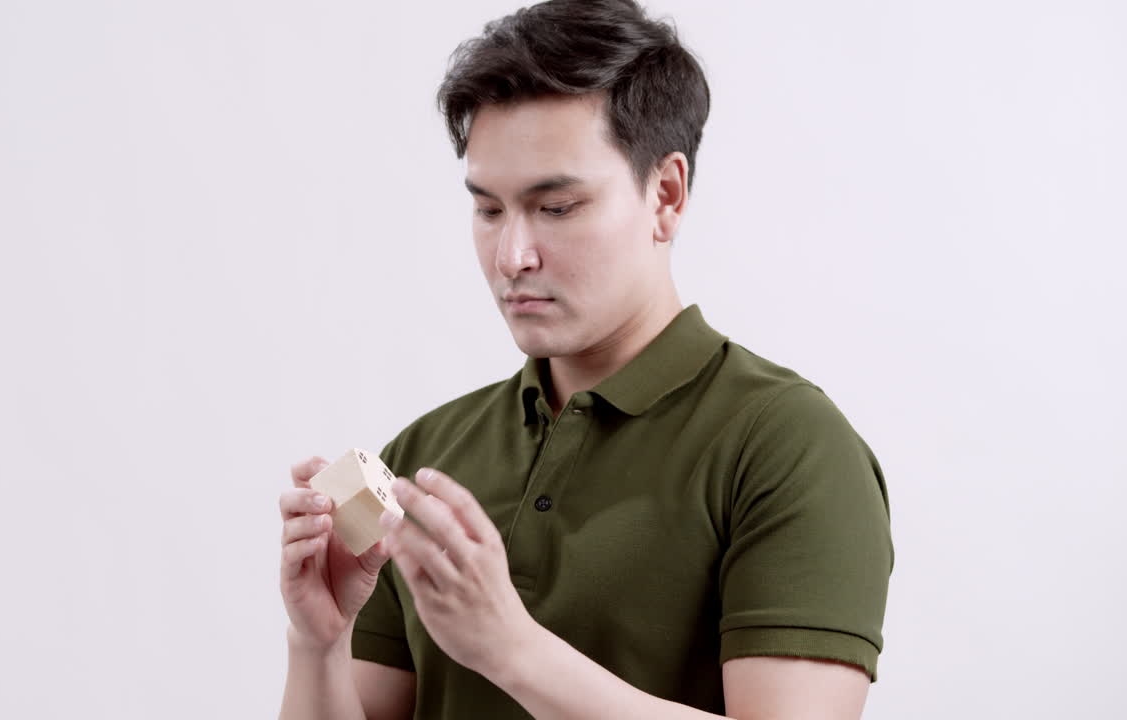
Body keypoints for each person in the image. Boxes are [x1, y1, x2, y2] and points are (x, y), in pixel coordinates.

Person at [278, 1, 893, 717]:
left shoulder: (788, 444)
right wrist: (316, 643)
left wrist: (511, 649)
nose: (513, 256)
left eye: (557, 207)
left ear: (666, 194)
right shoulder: (426, 454)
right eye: (488, 209)